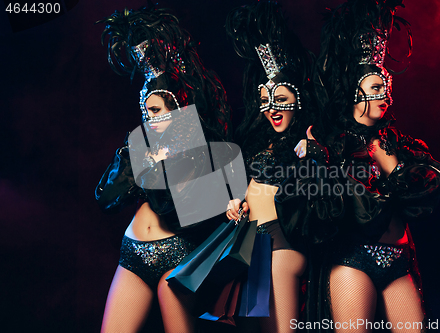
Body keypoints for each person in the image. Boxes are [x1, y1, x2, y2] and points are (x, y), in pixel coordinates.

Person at [297, 0, 440, 331]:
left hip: (399, 260)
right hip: (353, 260)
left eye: (387, 87)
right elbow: (323, 213)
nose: (387, 96)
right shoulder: (335, 147)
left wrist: (386, 158)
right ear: (356, 92)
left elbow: (424, 194)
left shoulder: (400, 144)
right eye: (378, 87)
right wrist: (316, 158)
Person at [95, 6, 231, 332]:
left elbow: (179, 212)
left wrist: (163, 160)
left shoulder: (201, 152)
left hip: (178, 259)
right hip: (133, 254)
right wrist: (134, 154)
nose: (149, 119)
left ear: (178, 109)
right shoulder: (140, 146)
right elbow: (106, 198)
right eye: (145, 111)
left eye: (156, 110)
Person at [224, 1, 328, 332]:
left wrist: (316, 152)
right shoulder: (256, 143)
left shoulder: (309, 141)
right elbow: (253, 184)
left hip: (283, 244)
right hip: (251, 243)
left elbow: (322, 195)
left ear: (300, 99)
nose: (272, 108)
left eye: (281, 99)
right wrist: (237, 200)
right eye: (265, 100)